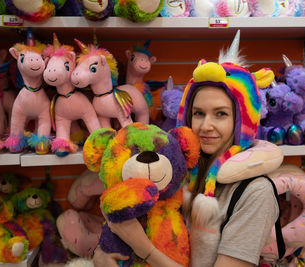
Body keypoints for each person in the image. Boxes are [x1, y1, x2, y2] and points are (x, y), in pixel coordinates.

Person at [93, 30, 279, 267]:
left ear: (242, 121)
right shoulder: (178, 170)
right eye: (198, 113)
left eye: (221, 114)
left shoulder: (256, 191)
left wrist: (144, 249)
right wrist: (100, 253)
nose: (205, 126)